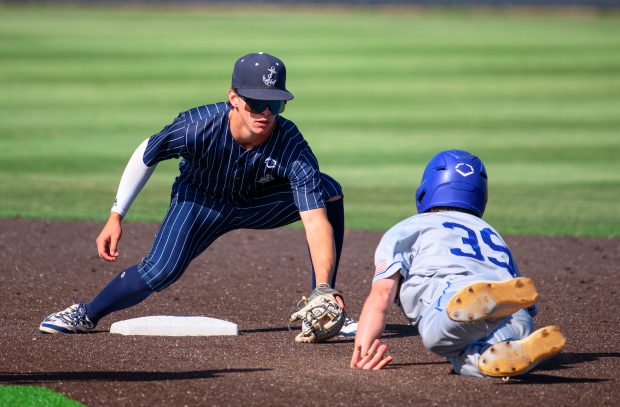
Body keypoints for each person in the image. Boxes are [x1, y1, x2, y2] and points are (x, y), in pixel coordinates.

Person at [39, 52, 356, 339]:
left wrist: (324, 288)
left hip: (258, 204)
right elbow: (146, 154)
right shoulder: (197, 125)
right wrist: (116, 214)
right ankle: (86, 314)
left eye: (275, 104)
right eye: (256, 103)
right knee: (160, 271)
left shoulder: (291, 144)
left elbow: (315, 222)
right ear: (233, 97)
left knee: (328, 191)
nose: (266, 112)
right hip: (200, 202)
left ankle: (324, 306)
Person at [350, 149, 565, 377]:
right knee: (477, 358)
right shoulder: (490, 233)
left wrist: (362, 350)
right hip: (516, 317)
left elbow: (381, 294)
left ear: (427, 189)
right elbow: (525, 300)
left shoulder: (409, 227)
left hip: (452, 298)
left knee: (437, 339)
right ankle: (512, 346)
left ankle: (478, 306)